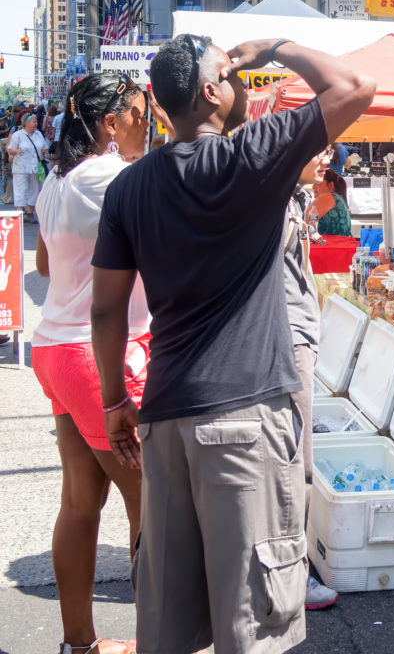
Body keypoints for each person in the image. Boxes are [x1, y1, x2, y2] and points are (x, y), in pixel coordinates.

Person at [91, 35, 375, 654]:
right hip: (247, 416)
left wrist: (115, 401)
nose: (243, 79)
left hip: (165, 423)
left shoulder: (129, 189)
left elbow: (105, 308)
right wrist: (275, 46)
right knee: (251, 629)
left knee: (168, 622)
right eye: (231, 72)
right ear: (213, 91)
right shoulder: (253, 154)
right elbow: (353, 88)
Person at [32, 73, 151, 654]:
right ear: (110, 124)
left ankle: (79, 646)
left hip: (55, 349)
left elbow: (46, 264)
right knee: (150, 503)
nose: (144, 125)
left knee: (80, 503)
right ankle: (164, 640)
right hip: (99, 356)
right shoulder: (112, 177)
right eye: (137, 114)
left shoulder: (58, 181)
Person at [283, 145, 340, 611]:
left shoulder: (297, 197)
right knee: (296, 464)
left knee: (293, 461)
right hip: (287, 340)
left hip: (295, 334)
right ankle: (293, 577)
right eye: (319, 150)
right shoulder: (278, 200)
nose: (327, 159)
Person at [8, 112, 48, 222]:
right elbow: (10, 149)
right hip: (21, 167)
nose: (36, 124)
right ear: (26, 123)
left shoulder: (38, 134)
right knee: (20, 190)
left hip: (35, 167)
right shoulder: (18, 135)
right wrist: (16, 151)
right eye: (34, 122)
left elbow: (44, 146)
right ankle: (19, 213)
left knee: (34, 190)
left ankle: (30, 213)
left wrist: (44, 150)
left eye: (36, 122)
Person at [313, 168, 351, 236]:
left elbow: (306, 225)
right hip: (336, 245)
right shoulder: (338, 199)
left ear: (330, 185)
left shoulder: (327, 197)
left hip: (326, 245)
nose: (313, 186)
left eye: (318, 183)